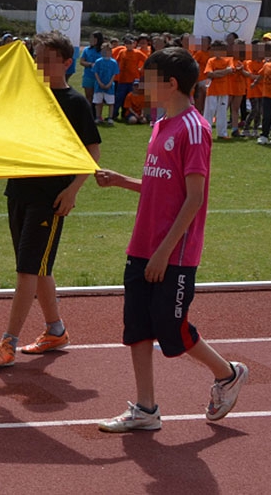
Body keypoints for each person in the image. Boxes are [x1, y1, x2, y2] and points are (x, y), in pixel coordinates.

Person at [94, 46, 248, 432]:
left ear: (171, 83)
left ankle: (227, 373)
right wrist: (120, 181)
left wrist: (163, 252)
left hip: (173, 252)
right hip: (142, 245)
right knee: (137, 328)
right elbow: (159, 185)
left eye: (149, 77)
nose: (143, 83)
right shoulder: (160, 124)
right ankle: (146, 409)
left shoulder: (194, 129)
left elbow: (194, 198)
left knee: (172, 329)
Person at [0, 31, 101, 368]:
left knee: (27, 270)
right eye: (36, 57)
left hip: (50, 199)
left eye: (46, 59)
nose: (39, 64)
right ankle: (56, 330)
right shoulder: (27, 98)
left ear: (65, 62)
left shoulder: (75, 103)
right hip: (18, 191)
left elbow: (92, 153)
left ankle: (8, 344)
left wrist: (73, 190)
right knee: (39, 267)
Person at [203, 40, 233, 139]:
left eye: (221, 50)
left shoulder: (229, 60)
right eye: (216, 50)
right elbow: (209, 74)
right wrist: (224, 72)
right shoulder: (211, 60)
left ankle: (222, 133)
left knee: (222, 112)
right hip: (212, 89)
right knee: (209, 111)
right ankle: (206, 132)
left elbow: (230, 71)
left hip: (224, 90)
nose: (218, 53)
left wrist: (216, 73)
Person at [92, 42, 119, 125]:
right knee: (98, 102)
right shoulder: (98, 61)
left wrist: (110, 83)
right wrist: (100, 82)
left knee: (110, 102)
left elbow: (114, 74)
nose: (106, 53)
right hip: (99, 85)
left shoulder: (113, 62)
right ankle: (98, 117)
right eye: (104, 51)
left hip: (110, 85)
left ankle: (110, 118)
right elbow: (95, 72)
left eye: (107, 51)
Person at [80, 31, 104, 119]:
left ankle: (98, 115)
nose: (91, 40)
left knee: (98, 97)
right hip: (88, 76)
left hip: (100, 77)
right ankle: (88, 114)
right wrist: (90, 64)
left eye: (94, 38)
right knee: (89, 96)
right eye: (90, 38)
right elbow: (81, 62)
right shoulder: (87, 50)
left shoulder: (103, 50)